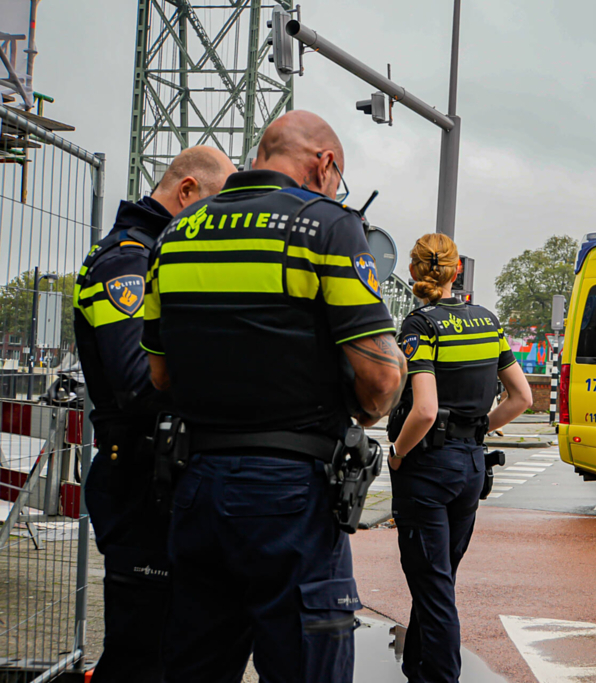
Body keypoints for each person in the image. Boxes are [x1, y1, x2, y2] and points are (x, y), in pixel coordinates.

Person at [141, 110, 407, 683]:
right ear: (325, 164)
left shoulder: (174, 236)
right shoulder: (327, 225)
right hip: (292, 496)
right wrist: (364, 404)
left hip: (197, 485)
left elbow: (160, 376)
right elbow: (381, 379)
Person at [73, 146, 237, 683]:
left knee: (176, 649)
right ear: (186, 192)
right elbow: (136, 383)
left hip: (165, 477)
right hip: (139, 479)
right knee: (142, 656)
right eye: (214, 207)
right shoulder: (128, 260)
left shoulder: (162, 256)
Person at [388, 233, 532, 682]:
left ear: (414, 271)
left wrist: (396, 454)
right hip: (470, 465)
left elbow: (424, 409)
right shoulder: (488, 322)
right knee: (437, 580)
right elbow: (522, 396)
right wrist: (477, 430)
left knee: (434, 588)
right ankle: (416, 668)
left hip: (427, 469)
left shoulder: (421, 325)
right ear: (456, 272)